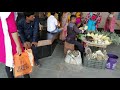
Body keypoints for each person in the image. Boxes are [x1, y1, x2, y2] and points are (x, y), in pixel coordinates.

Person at [0, 12, 30, 78]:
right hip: (10, 40)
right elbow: (12, 29)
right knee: (21, 59)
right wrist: (18, 45)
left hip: (2, 39)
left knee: (8, 62)